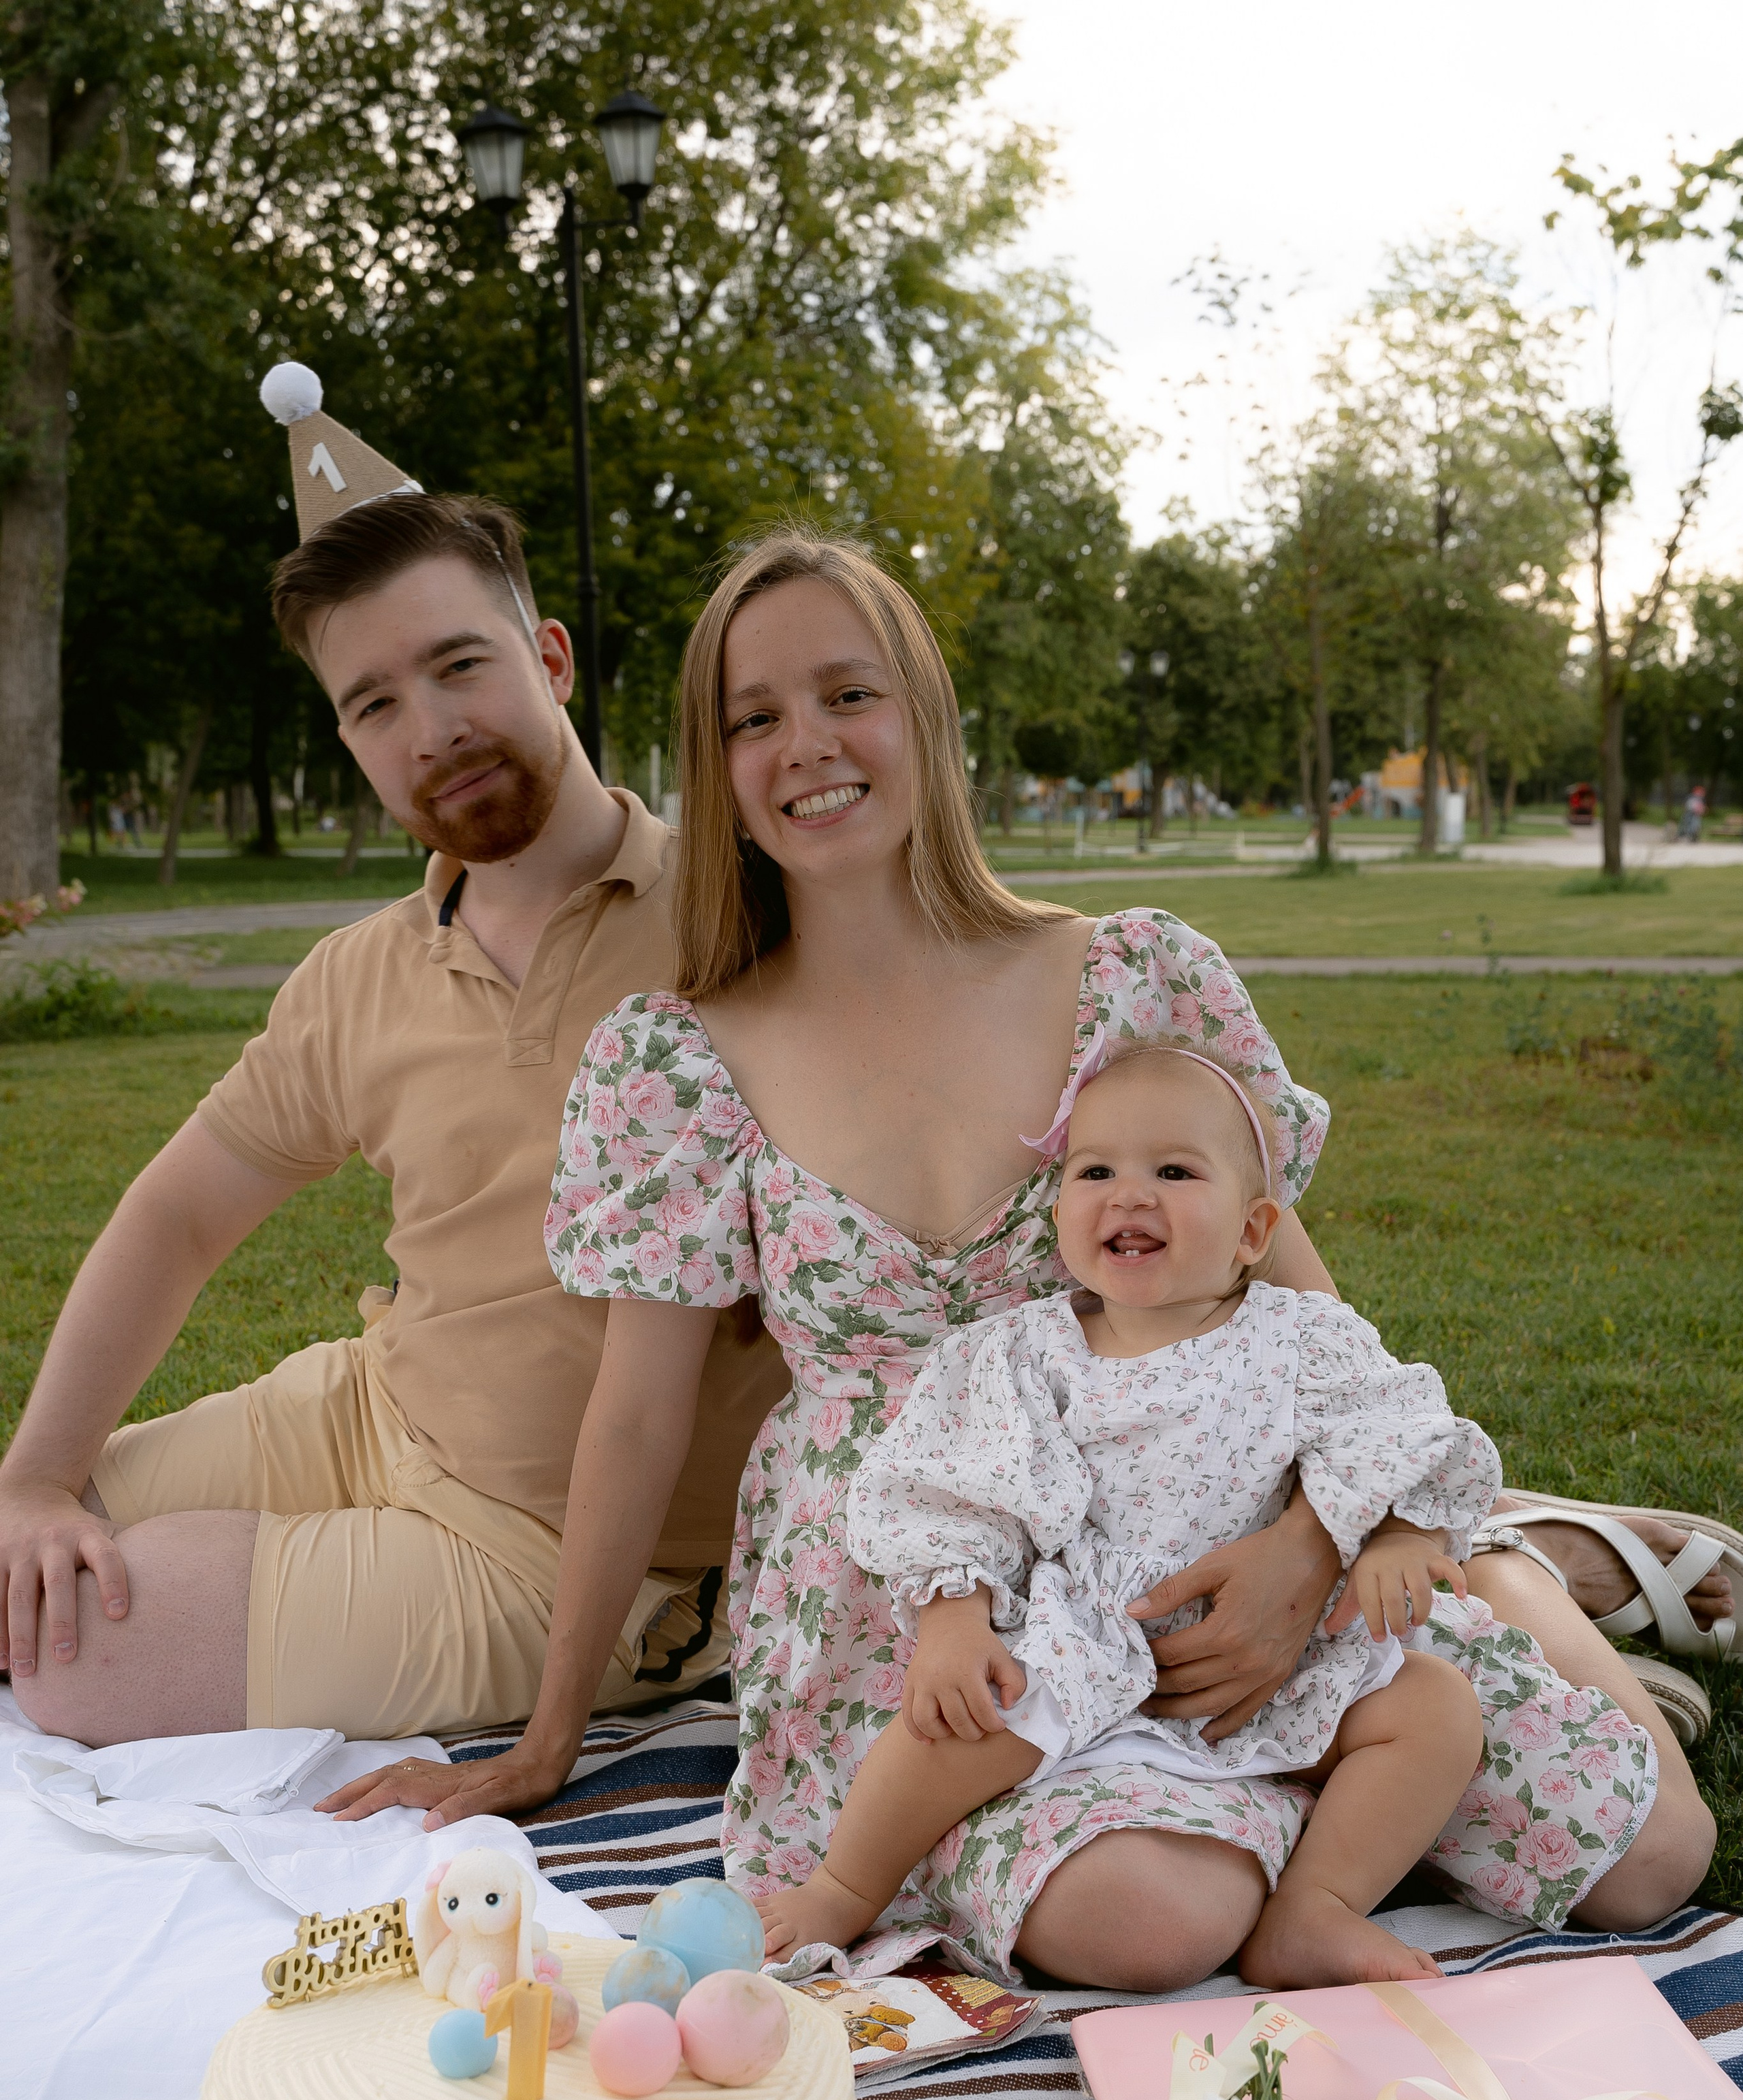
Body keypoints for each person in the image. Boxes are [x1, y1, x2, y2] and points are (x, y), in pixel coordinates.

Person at [325, 529, 1714, 1993]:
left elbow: (1303, 1313)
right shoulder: (675, 1060)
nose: (806, 745)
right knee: (1151, 1923)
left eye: (845, 694)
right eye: (753, 718)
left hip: (1215, 1515)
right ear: (713, 762)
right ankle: (1264, 1821)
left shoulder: (1131, 979)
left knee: (1647, 1864)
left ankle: (1506, 1586)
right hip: (939, 1612)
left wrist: (1311, 1554)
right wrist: (550, 1740)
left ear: (923, 713)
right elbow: (636, 1415)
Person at [0, 385, 786, 1743]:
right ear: (349, 741)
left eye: (459, 664)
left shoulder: (748, 912)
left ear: (549, 655)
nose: (429, 728)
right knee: (21, 1554)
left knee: (77, 1654)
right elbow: (182, 1216)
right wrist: (35, 1477)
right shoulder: (358, 977)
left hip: (574, 1558)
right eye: (373, 703)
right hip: (376, 1408)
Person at [761, 1042, 1508, 1988]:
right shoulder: (1027, 1356)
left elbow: (1399, 1431)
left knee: (1434, 1709)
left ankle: (1314, 1908)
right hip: (1084, 1642)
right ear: (1060, 1210)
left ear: (1251, 1231)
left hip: (1274, 1660)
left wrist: (1398, 1535)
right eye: (1097, 1171)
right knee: (952, 1722)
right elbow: (954, 1491)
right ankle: (843, 1884)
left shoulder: (1300, 1340)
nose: (1131, 1194)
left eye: (1174, 1171)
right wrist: (952, 1619)